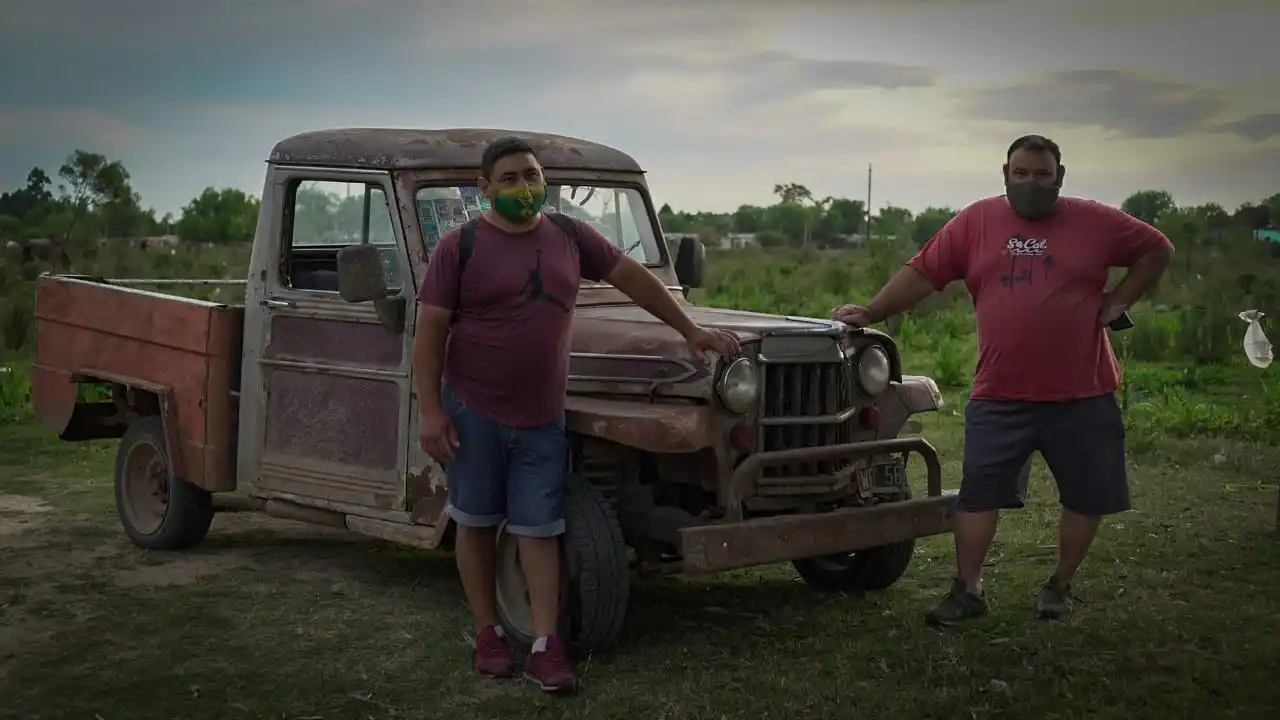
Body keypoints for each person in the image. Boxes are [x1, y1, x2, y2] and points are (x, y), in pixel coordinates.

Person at [412, 136, 741, 692]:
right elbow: (430, 333)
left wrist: (689, 329)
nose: (525, 187)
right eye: (511, 178)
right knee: (474, 520)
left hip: (542, 413)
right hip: (473, 408)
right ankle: (488, 633)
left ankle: (545, 645)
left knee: (539, 527)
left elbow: (633, 277)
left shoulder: (568, 235)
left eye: (533, 176)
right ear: (484, 187)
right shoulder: (459, 247)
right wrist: (429, 411)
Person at [832, 134, 1174, 626]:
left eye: (1041, 174)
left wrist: (1120, 299)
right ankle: (968, 589)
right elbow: (925, 272)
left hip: (1083, 391)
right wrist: (873, 310)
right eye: (1021, 174)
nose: (1031, 183)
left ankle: (1059, 585)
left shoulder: (1096, 220)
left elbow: (1157, 249)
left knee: (1086, 495)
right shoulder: (977, 222)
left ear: (1060, 176)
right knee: (979, 495)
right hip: (1001, 392)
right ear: (1005, 174)